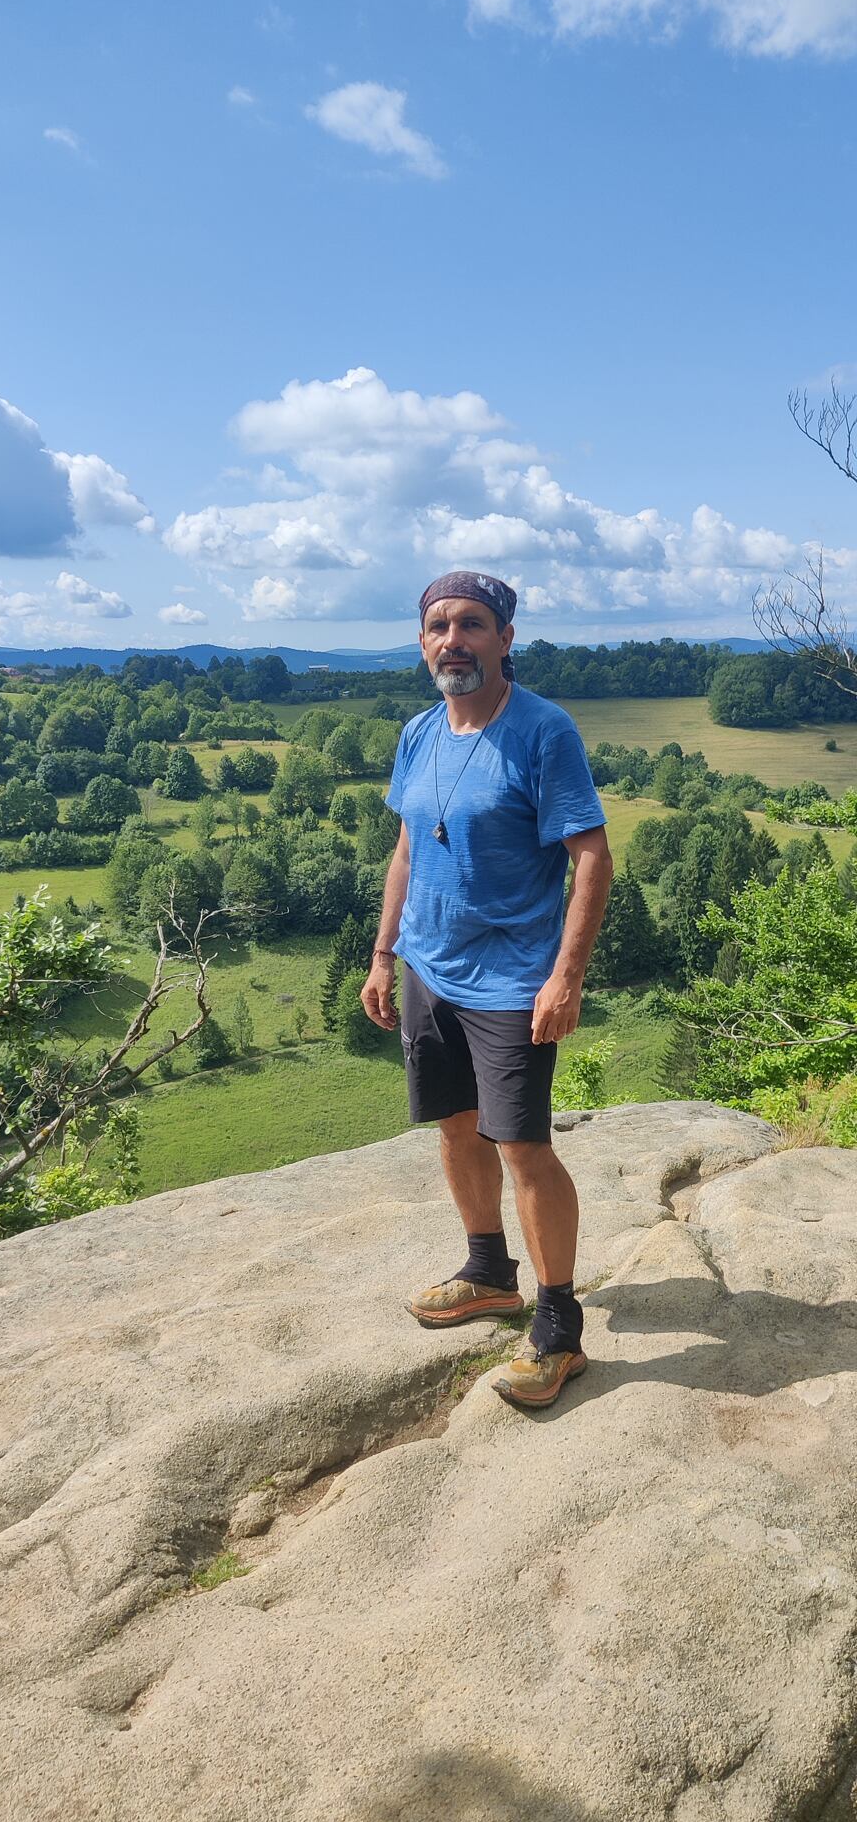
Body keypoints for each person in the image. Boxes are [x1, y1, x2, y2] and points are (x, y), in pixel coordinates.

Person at [360, 571, 613, 1410]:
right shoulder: (419, 731)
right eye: (438, 625)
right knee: (455, 1124)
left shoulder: (543, 730)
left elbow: (591, 856)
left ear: (505, 638)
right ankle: (488, 1272)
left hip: (510, 979)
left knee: (522, 1145)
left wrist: (565, 976)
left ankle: (559, 1328)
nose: (453, 640)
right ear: (421, 642)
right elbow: (407, 849)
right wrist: (384, 955)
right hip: (428, 966)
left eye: (472, 624)